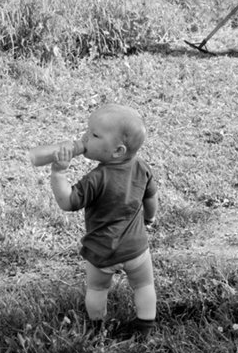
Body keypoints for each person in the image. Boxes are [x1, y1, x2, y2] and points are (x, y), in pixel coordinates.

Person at [48, 104, 158, 339]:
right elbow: (150, 197)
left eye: (94, 135)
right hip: (136, 248)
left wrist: (58, 174)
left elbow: (68, 202)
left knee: (97, 288)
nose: (85, 137)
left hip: (102, 251)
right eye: (88, 130)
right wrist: (150, 218)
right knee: (144, 286)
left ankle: (97, 329)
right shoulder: (142, 168)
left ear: (117, 151)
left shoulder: (96, 179)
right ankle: (145, 327)